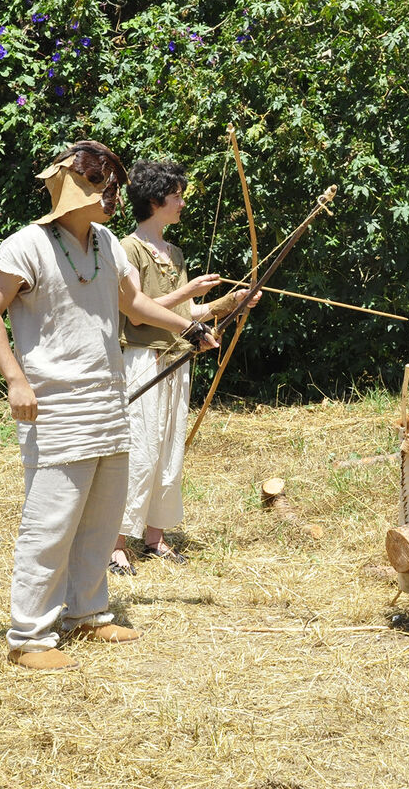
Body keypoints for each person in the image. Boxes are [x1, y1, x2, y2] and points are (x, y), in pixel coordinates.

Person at [0, 141, 218, 672]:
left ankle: (87, 612)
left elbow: (134, 304)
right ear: (71, 190)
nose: (112, 196)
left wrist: (188, 327)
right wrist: (15, 378)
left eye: (113, 186)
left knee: (103, 516)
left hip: (109, 400)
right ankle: (30, 635)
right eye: (100, 186)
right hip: (56, 404)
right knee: (52, 520)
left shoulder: (108, 242)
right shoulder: (26, 246)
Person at [110, 159, 261, 574]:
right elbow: (138, 312)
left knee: (169, 448)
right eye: (176, 196)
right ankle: (116, 544)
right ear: (156, 200)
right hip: (142, 358)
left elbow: (189, 311)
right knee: (139, 448)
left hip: (176, 358)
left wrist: (230, 303)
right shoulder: (128, 249)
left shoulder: (173, 252)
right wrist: (189, 292)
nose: (181, 202)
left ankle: (154, 537)